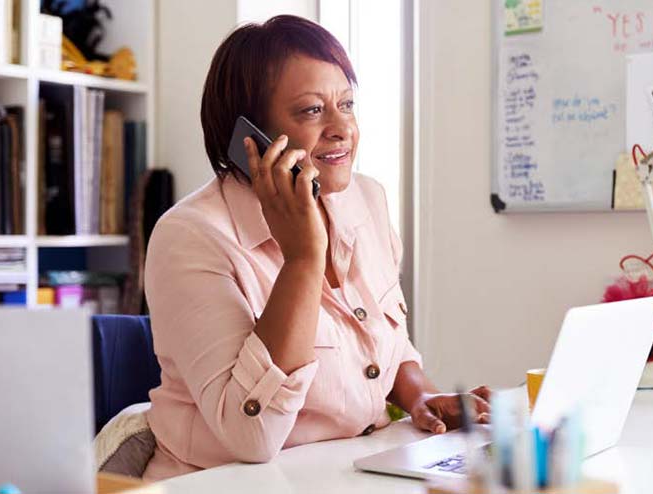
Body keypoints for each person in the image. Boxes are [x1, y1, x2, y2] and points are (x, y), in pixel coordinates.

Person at [142, 15, 490, 480]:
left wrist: (418, 395)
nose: (341, 127)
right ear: (250, 136)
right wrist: (303, 259)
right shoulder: (191, 237)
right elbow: (251, 437)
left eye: (346, 104)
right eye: (311, 110)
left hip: (348, 473)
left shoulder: (365, 199)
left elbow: (387, 344)